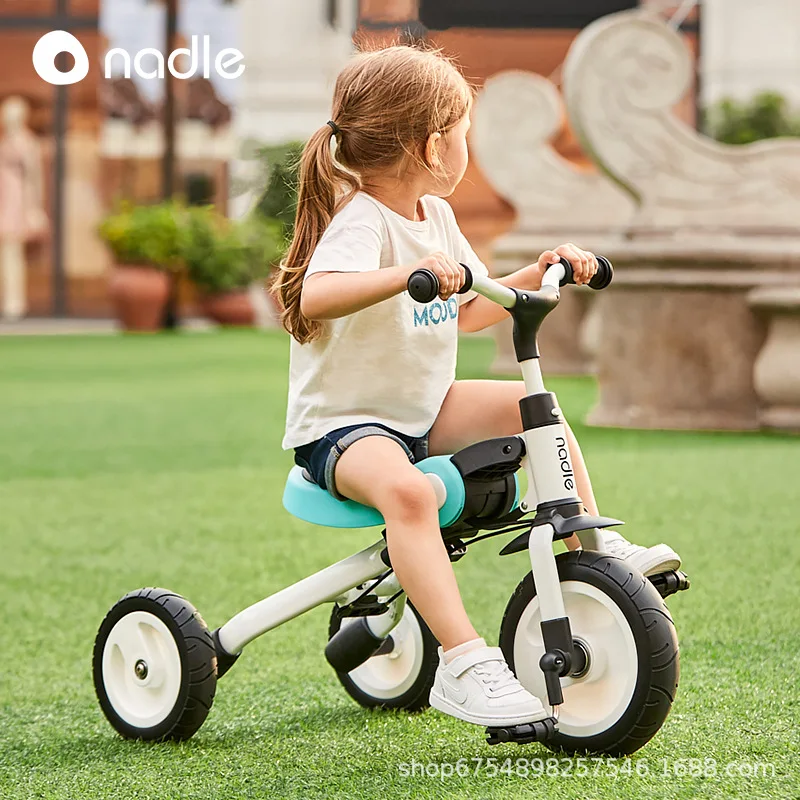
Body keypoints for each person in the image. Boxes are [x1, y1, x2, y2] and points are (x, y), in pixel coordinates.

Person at [272, 46, 681, 729]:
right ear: (435, 145)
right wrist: (405, 276)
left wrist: (540, 270)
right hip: (344, 429)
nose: (469, 147)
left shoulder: (436, 218)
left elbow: (469, 310)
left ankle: (596, 552)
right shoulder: (363, 220)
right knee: (407, 493)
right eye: (465, 134)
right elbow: (316, 295)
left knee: (535, 413)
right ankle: (463, 663)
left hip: (422, 413)